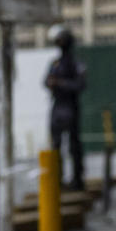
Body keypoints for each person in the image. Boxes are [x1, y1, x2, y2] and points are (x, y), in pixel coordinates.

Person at [44, 25, 87, 190]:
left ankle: (77, 180)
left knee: (74, 146)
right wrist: (51, 83)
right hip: (57, 106)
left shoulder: (76, 63)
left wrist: (60, 83)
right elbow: (46, 81)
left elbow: (80, 85)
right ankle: (57, 180)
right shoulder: (55, 63)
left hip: (70, 106)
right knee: (56, 146)